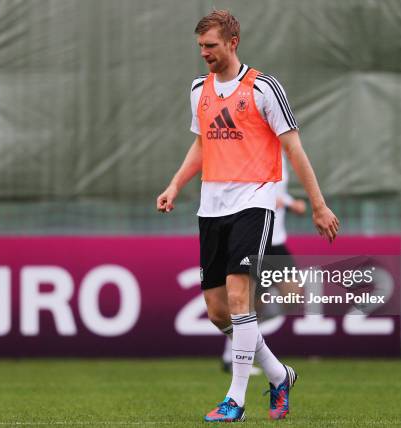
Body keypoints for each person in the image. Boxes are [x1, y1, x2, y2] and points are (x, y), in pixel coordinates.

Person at [156, 10, 339, 422]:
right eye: (200, 46)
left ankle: (235, 398)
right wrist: (174, 185)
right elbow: (202, 145)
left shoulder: (264, 89)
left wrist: (318, 204)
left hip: (255, 203)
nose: (204, 53)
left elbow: (294, 149)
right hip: (211, 207)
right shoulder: (197, 90)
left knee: (241, 296)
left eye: (212, 46)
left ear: (233, 42)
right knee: (219, 312)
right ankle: (279, 374)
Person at [221, 155, 307, 374]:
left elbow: (277, 190)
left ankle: (249, 341)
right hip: (257, 239)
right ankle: (232, 356)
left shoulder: (283, 152)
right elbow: (253, 188)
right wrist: (287, 202)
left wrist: (290, 202)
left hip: (277, 241)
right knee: (249, 305)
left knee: (294, 295)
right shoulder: (253, 150)